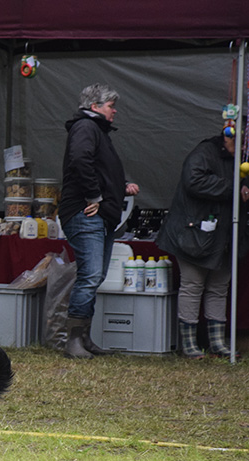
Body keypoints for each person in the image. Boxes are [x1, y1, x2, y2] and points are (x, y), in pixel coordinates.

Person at [59, 83, 140, 359]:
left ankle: (84, 338)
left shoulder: (96, 131)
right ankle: (73, 341)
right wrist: (94, 196)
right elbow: (80, 160)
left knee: (95, 276)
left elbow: (99, 168)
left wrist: (121, 185)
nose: (114, 110)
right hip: (84, 213)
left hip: (99, 215)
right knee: (91, 275)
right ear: (94, 107)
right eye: (110, 106)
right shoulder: (86, 128)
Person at [155, 127, 249, 358]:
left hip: (224, 235)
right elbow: (193, 181)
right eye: (245, 142)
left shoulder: (242, 159)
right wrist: (234, 188)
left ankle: (217, 342)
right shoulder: (204, 152)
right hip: (194, 233)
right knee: (193, 285)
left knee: (219, 288)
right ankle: (189, 344)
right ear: (230, 137)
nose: (246, 148)